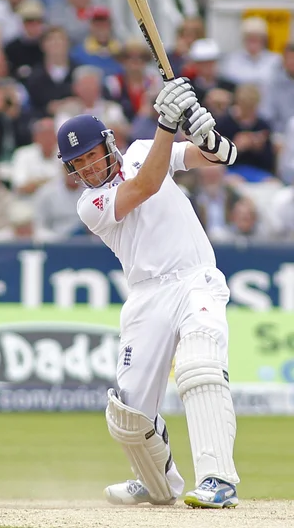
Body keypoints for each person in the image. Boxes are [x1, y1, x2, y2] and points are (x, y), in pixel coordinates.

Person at [57, 77, 240, 508]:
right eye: (75, 164)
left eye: (88, 156)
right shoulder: (90, 204)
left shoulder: (141, 150)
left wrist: (203, 133)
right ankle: (158, 482)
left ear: (107, 144)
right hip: (145, 297)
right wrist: (166, 122)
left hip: (194, 278)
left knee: (200, 367)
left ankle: (219, 480)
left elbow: (217, 156)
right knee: (129, 413)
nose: (85, 168)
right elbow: (145, 187)